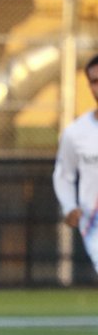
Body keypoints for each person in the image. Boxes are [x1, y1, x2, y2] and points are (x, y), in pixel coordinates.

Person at [52, 53, 98, 276]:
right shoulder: (76, 132)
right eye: (94, 81)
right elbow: (64, 174)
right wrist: (70, 206)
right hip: (94, 221)